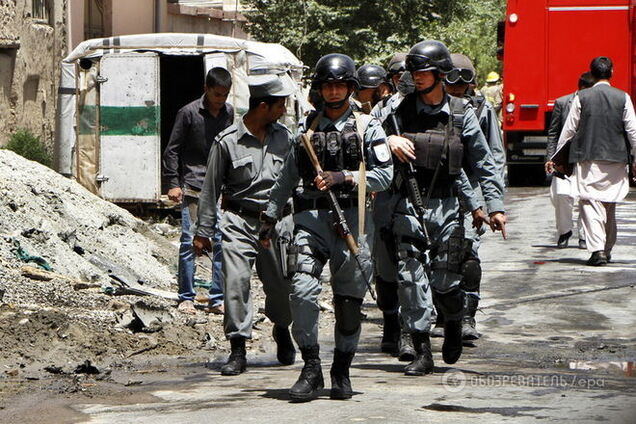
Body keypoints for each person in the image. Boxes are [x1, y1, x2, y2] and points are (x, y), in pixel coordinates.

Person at [260, 53, 393, 401]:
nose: (333, 91)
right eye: (327, 85)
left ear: (350, 88)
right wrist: (269, 218)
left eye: (340, 85)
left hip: (354, 222)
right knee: (302, 290)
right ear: (320, 89)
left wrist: (343, 176)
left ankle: (342, 370)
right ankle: (311, 366)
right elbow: (286, 178)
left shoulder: (369, 128)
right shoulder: (306, 130)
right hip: (311, 222)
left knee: (349, 304)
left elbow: (383, 176)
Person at [384, 40, 506, 375]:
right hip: (407, 204)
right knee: (410, 279)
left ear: (439, 73)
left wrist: (493, 206)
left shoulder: (460, 113)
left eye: (423, 71)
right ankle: (423, 351)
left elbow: (483, 162)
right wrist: (387, 140)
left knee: (446, 282)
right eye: (413, 71)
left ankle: (453, 318)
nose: (416, 77)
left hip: (448, 206)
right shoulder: (397, 111)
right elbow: (365, 132)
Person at [193, 73, 297, 375]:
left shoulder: (286, 138)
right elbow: (210, 189)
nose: (284, 111)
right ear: (263, 106)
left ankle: (281, 327)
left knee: (282, 287)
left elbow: (296, 182)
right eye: (280, 105)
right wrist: (203, 232)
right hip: (239, 221)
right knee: (236, 284)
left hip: (278, 224)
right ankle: (238, 349)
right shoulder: (227, 141)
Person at [444, 53, 507, 342]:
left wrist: (494, 203)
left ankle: (468, 314)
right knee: (438, 254)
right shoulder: (430, 107)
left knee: (468, 253)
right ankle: (444, 314)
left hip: (474, 191)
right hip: (440, 190)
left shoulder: (482, 109)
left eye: (464, 81)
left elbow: (493, 157)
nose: (458, 88)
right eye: (451, 81)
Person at [162, 67, 232, 315]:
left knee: (222, 242)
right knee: (189, 242)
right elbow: (172, 150)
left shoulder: (229, 113)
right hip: (193, 186)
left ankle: (217, 298)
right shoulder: (188, 113)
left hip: (220, 189)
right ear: (206, 89)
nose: (220, 100)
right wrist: (172, 182)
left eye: (224, 95)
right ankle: (186, 297)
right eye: (216, 95)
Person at [556, 56, 636, 266]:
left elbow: (569, 130)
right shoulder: (624, 97)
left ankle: (598, 250)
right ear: (612, 72)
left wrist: (558, 157)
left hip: (588, 159)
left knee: (590, 203)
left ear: (591, 74)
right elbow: (633, 132)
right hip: (617, 160)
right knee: (609, 205)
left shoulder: (582, 97)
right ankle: (607, 248)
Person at [545, 72, 595, 249]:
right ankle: (564, 231)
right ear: (580, 89)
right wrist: (551, 157)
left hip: (588, 158)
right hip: (565, 159)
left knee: (586, 197)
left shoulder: (596, 104)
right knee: (562, 195)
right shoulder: (562, 102)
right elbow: (554, 133)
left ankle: (584, 234)